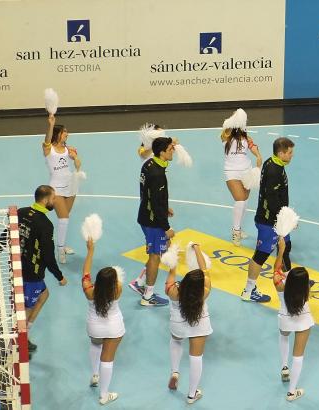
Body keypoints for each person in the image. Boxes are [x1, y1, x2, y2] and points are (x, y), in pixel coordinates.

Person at [243, 137, 295, 303]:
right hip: (269, 221)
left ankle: (290, 281)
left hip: (277, 219)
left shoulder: (275, 163)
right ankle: (248, 290)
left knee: (286, 247)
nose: (291, 155)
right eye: (289, 152)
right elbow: (272, 201)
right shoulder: (274, 171)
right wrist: (285, 220)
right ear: (281, 153)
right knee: (261, 255)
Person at [17, 185, 67, 353]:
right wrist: (59, 276)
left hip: (18, 266)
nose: (54, 202)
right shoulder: (45, 224)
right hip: (33, 273)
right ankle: (20, 342)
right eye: (53, 199)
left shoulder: (21, 212)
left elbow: (7, 232)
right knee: (26, 307)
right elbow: (48, 256)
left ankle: (25, 333)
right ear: (45, 200)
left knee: (44, 295)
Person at [165, 244, 211, 404]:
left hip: (177, 324)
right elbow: (204, 269)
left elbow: (171, 271)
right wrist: (197, 249)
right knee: (196, 358)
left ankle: (175, 372)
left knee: (176, 341)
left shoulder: (173, 291)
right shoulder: (205, 290)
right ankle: (192, 395)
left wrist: (173, 257)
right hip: (199, 324)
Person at [81, 239, 124, 405]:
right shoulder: (117, 289)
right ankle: (104, 395)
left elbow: (85, 273)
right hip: (114, 327)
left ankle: (94, 375)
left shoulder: (89, 290)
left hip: (94, 327)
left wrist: (90, 251)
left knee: (95, 345)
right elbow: (116, 281)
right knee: (107, 360)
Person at [135, 137, 175, 307]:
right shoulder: (158, 174)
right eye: (170, 149)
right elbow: (155, 202)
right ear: (162, 152)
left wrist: (164, 207)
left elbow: (148, 194)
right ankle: (147, 296)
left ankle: (140, 281)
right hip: (154, 222)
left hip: (145, 216)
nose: (173, 150)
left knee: (154, 253)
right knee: (155, 256)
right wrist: (166, 227)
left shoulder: (149, 164)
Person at [273, 238, 313, 402]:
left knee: (284, 336)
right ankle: (291, 392)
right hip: (303, 321)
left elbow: (276, 270)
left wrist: (281, 250)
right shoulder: (306, 288)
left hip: (285, 319)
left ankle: (284, 366)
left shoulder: (280, 285)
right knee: (298, 356)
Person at [43, 113, 82, 264]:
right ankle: (59, 251)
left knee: (64, 217)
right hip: (56, 188)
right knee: (64, 219)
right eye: (64, 131)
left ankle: (62, 245)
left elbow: (78, 167)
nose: (67, 133)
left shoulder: (69, 149)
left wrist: (75, 158)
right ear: (57, 134)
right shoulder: (48, 149)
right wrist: (51, 125)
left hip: (71, 185)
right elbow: (47, 139)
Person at [221, 117, 262, 245]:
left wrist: (258, 156)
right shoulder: (226, 136)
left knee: (244, 200)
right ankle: (236, 231)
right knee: (239, 200)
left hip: (246, 171)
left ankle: (239, 228)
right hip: (231, 172)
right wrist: (234, 120)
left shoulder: (247, 139)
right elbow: (225, 130)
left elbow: (253, 148)